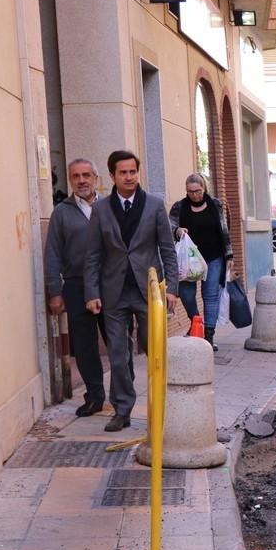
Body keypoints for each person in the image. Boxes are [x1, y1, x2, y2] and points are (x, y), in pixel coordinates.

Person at [84, 150, 178, 432]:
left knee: (154, 349)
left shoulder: (154, 205)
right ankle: (122, 409)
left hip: (148, 291)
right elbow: (92, 254)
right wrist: (92, 292)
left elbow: (167, 249)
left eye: (133, 172)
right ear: (112, 176)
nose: (129, 177)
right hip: (113, 292)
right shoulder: (101, 209)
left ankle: (165, 406)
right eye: (123, 172)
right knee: (118, 353)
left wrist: (171, 288)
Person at [44, 158, 107, 417]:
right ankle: (95, 396)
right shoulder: (62, 212)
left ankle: (122, 397)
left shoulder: (109, 207)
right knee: (84, 345)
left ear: (95, 178)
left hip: (109, 285)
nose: (81, 181)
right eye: (76, 176)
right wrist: (55, 291)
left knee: (118, 342)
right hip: (76, 285)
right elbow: (52, 253)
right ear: (70, 180)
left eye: (86, 175)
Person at [169, 173, 233, 350]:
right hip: (188, 260)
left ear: (204, 188)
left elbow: (224, 230)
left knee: (210, 296)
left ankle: (209, 336)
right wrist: (178, 231)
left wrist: (229, 255)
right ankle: (196, 323)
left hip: (213, 257)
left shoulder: (215, 204)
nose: (195, 195)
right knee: (186, 294)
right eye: (190, 192)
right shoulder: (179, 207)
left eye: (198, 191)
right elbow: (170, 226)